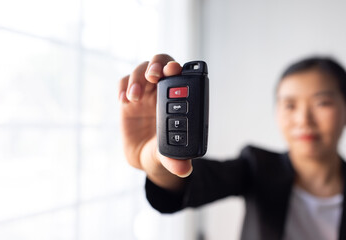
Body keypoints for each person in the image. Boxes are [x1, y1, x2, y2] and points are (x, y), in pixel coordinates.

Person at [118, 54, 346, 240]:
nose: (304, 120)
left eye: (322, 103)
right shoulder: (256, 165)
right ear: (276, 111)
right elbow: (189, 183)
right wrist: (160, 154)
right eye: (289, 105)